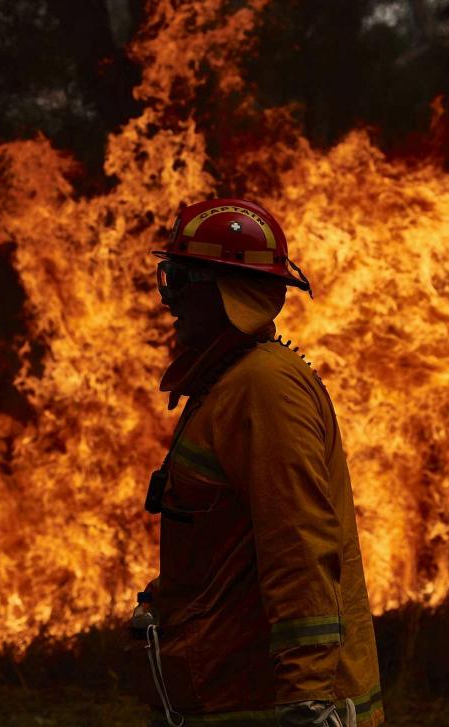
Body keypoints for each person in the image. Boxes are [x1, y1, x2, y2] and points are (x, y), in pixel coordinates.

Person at [130, 199, 383, 727]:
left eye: (177, 278)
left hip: (266, 705)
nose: (168, 298)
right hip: (228, 693)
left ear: (217, 290)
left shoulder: (264, 389)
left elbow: (300, 547)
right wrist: (165, 600)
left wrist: (308, 701)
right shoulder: (227, 381)